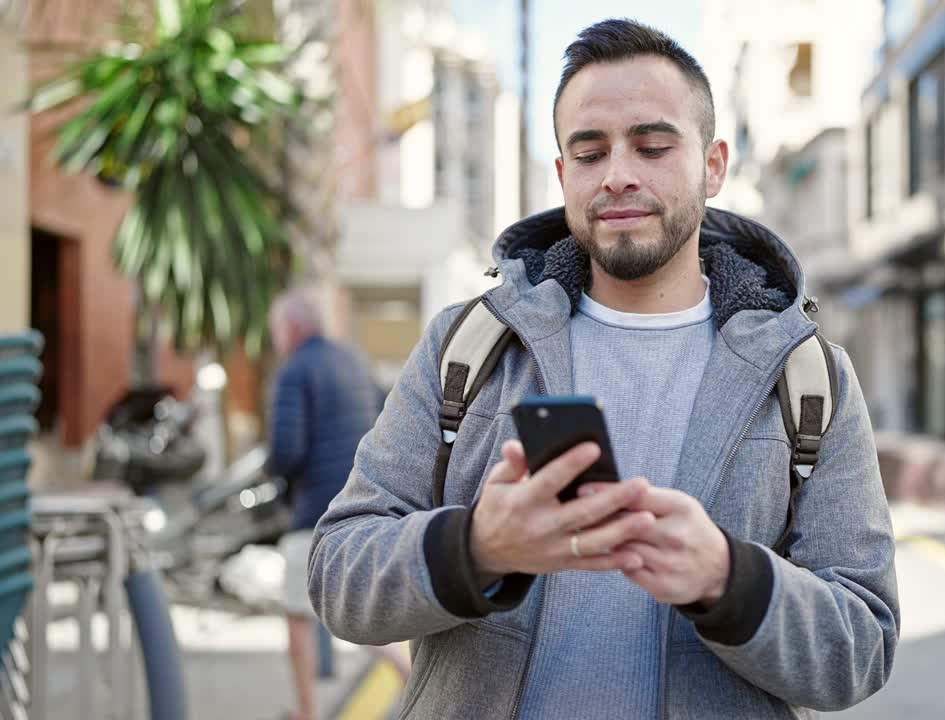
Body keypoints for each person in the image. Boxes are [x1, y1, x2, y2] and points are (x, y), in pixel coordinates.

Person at [309, 19, 899, 719]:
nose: (618, 174)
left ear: (713, 165)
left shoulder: (807, 377)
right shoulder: (467, 346)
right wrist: (475, 547)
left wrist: (729, 581)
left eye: (652, 146)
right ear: (563, 175)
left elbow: (862, 645)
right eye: (589, 153)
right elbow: (339, 571)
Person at [264, 289, 404, 720]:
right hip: (363, 501)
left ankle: (307, 712)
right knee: (362, 606)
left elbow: (287, 449)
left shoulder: (294, 371)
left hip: (314, 510)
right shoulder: (353, 361)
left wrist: (274, 476)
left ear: (290, 329)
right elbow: (387, 420)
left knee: (297, 614)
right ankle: (416, 680)